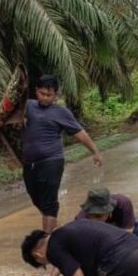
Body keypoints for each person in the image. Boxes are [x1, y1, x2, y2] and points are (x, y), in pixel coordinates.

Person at [19, 75, 102, 234]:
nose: (44, 98)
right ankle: (55, 227)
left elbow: (80, 133)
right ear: (36, 91)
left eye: (49, 95)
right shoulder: (27, 106)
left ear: (56, 94)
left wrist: (95, 151)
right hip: (29, 162)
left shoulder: (61, 112)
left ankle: (47, 239)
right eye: (41, 93)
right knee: (36, 198)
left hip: (52, 160)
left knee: (49, 200)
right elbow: (6, 116)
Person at [75, 186, 138, 257]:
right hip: (99, 241)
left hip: (123, 232)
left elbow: (127, 236)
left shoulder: (123, 203)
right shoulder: (80, 221)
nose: (96, 220)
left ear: (109, 210)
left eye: (99, 215)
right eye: (92, 215)